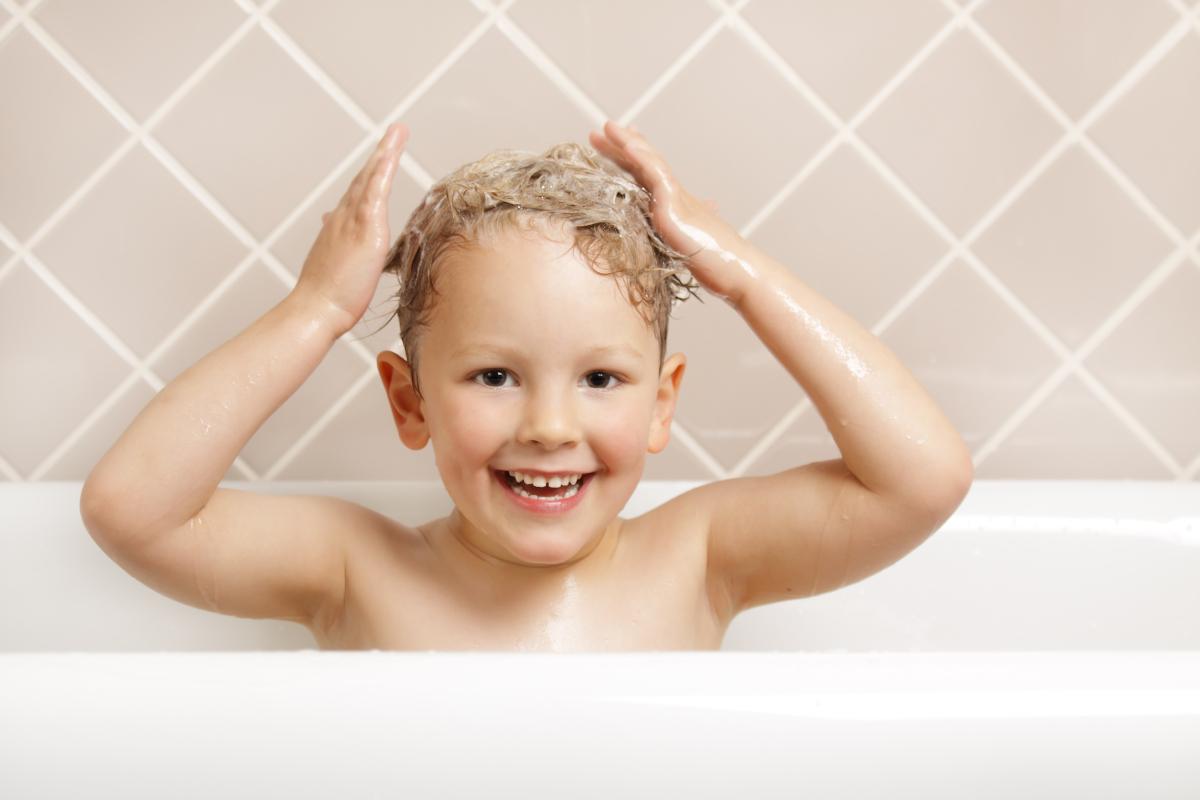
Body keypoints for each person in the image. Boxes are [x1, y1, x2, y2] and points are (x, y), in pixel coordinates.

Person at [80, 120, 974, 651]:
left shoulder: (698, 558)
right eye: (495, 375)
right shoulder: (358, 569)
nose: (550, 425)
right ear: (409, 401)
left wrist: (740, 271)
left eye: (601, 378)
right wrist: (315, 310)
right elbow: (133, 511)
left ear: (661, 403)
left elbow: (922, 479)